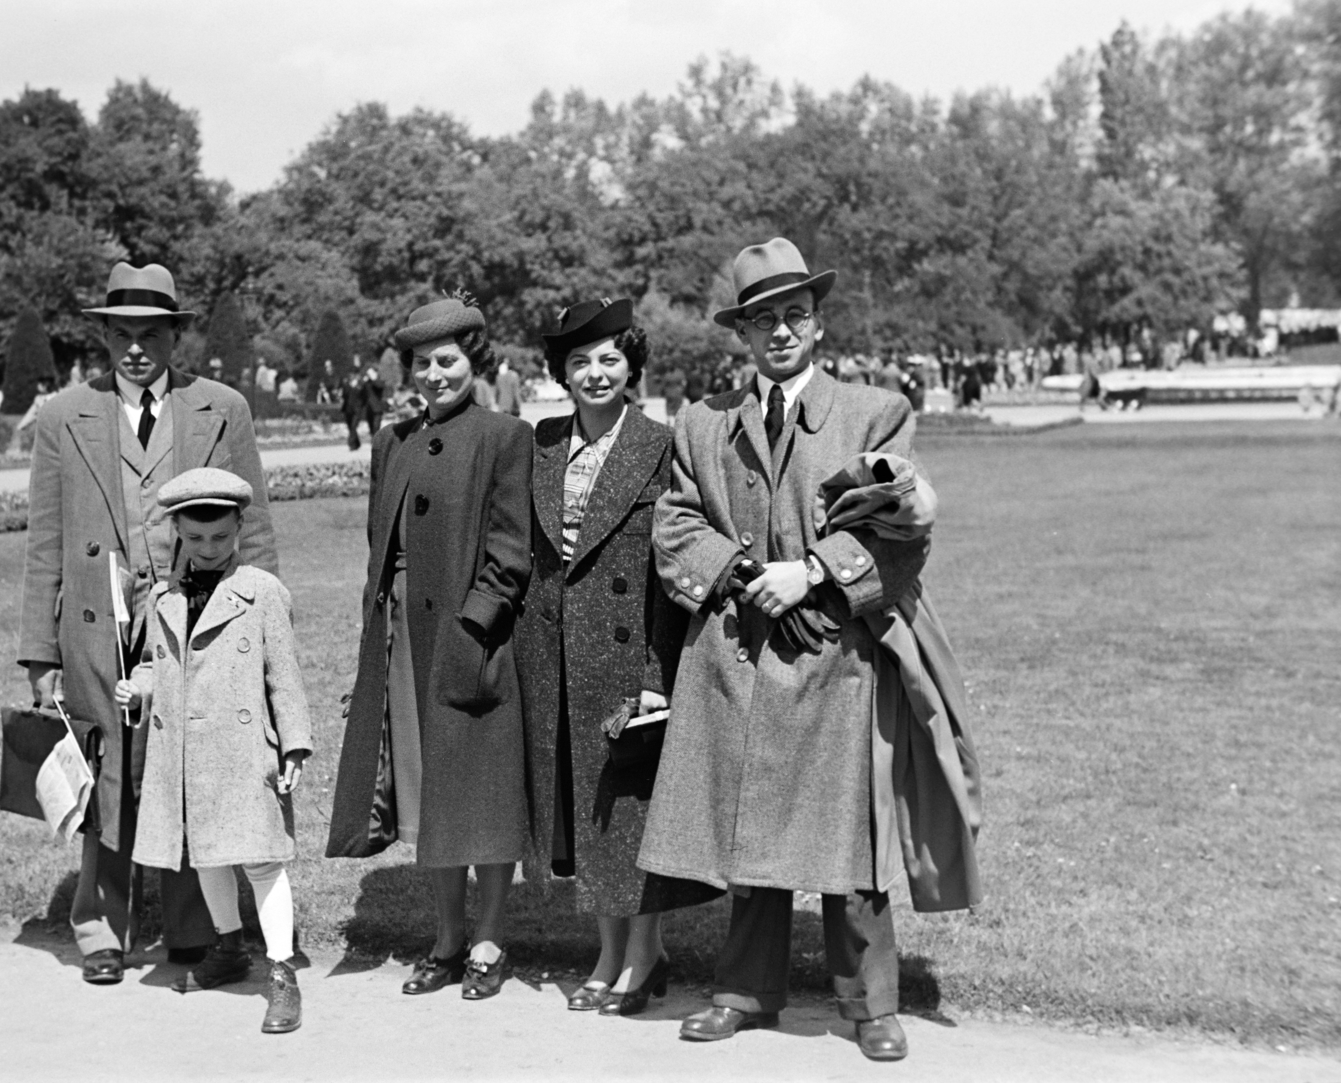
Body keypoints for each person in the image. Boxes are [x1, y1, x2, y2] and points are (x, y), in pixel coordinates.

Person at [638, 238, 981, 1061]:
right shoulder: (703, 421)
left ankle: (871, 1004)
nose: (780, 331)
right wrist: (739, 571)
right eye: (763, 319)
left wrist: (812, 572)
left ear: (817, 325)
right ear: (744, 335)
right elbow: (675, 523)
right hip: (738, 652)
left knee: (849, 837)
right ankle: (743, 992)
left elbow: (901, 529)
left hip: (838, 657)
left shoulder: (875, 411)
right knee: (749, 823)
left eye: (794, 314)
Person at [17, 261, 281, 986]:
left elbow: (252, 525)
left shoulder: (221, 406)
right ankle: (101, 927)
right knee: (105, 771)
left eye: (150, 334)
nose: (136, 348)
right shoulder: (64, 415)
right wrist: (41, 651)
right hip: (98, 627)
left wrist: (262, 629)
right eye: (122, 334)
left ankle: (198, 929)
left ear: (173, 336)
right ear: (103, 334)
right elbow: (45, 540)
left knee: (193, 765)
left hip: (193, 621)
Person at [514, 298, 720, 1018]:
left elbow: (673, 568)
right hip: (551, 651)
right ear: (561, 373)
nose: (595, 373)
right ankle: (608, 949)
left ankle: (643, 952)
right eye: (579, 362)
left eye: (609, 359)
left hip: (630, 647)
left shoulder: (661, 444)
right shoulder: (540, 443)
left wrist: (658, 677)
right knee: (581, 806)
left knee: (628, 809)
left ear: (633, 366)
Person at [326, 292, 533, 1001]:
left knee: (484, 796)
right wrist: (373, 640)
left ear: (472, 358)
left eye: (447, 360)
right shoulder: (393, 441)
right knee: (428, 797)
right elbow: (375, 549)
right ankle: (446, 937)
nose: (435, 375)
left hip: (474, 642)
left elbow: (512, 550)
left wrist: (475, 625)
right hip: (404, 640)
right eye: (421, 363)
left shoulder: (505, 436)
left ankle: (489, 937)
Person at [114, 468, 312, 1034]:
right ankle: (228, 948)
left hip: (246, 747)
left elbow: (285, 676)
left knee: (261, 856)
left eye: (219, 538)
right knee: (207, 852)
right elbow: (157, 664)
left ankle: (280, 971)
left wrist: (294, 744)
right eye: (195, 539)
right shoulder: (163, 598)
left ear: (238, 529)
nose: (207, 550)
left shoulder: (263, 592)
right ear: (177, 532)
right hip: (184, 752)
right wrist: (141, 686)